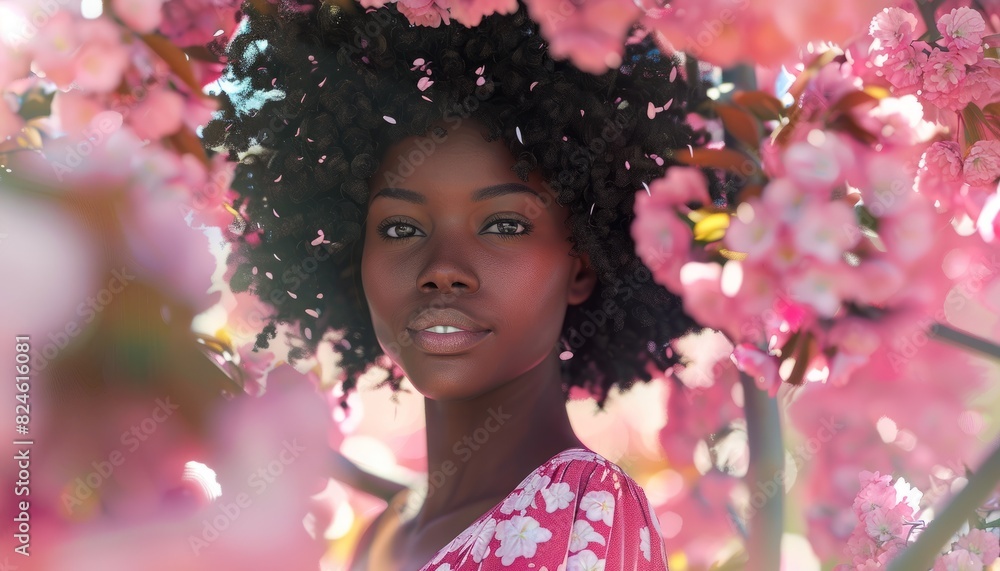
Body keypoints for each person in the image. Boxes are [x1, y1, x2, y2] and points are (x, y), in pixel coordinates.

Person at [203, 0, 717, 568]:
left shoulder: (582, 505)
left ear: (582, 265)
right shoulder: (383, 537)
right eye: (400, 227)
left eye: (503, 225)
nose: (442, 267)